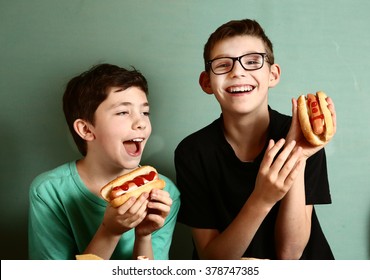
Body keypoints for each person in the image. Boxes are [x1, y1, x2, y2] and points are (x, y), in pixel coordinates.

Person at [174, 19, 336, 260]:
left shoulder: (302, 137)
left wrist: (296, 156)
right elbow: (211, 259)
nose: (238, 71)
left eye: (252, 62)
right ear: (207, 82)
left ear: (273, 74)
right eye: (222, 64)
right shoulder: (193, 152)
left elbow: (290, 254)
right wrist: (262, 199)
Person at [28, 63, 180, 260]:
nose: (141, 123)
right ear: (86, 130)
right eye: (123, 112)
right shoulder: (49, 191)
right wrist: (109, 232)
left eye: (145, 112)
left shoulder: (165, 193)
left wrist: (144, 236)